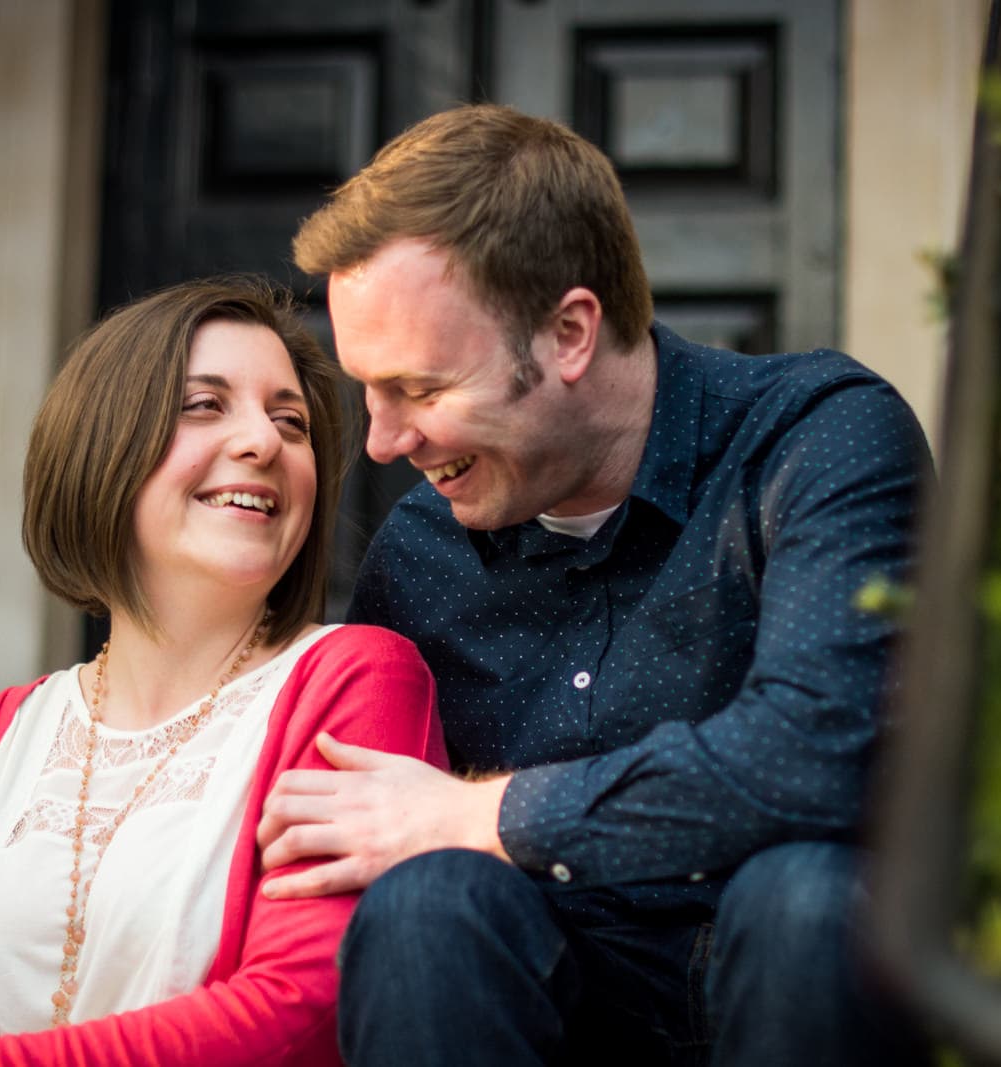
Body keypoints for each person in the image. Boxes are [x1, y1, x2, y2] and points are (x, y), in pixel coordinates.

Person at [256, 104, 933, 1065]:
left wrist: (482, 811)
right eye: (370, 389)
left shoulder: (814, 437)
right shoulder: (418, 552)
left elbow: (818, 753)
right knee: (424, 905)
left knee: (806, 897)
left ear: (571, 331)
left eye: (422, 388)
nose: (383, 441)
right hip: (540, 1009)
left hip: (792, 987)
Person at [0, 277, 446, 1067]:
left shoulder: (356, 680)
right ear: (103, 446)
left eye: (292, 421)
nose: (265, 441)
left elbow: (302, 1009)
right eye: (205, 405)